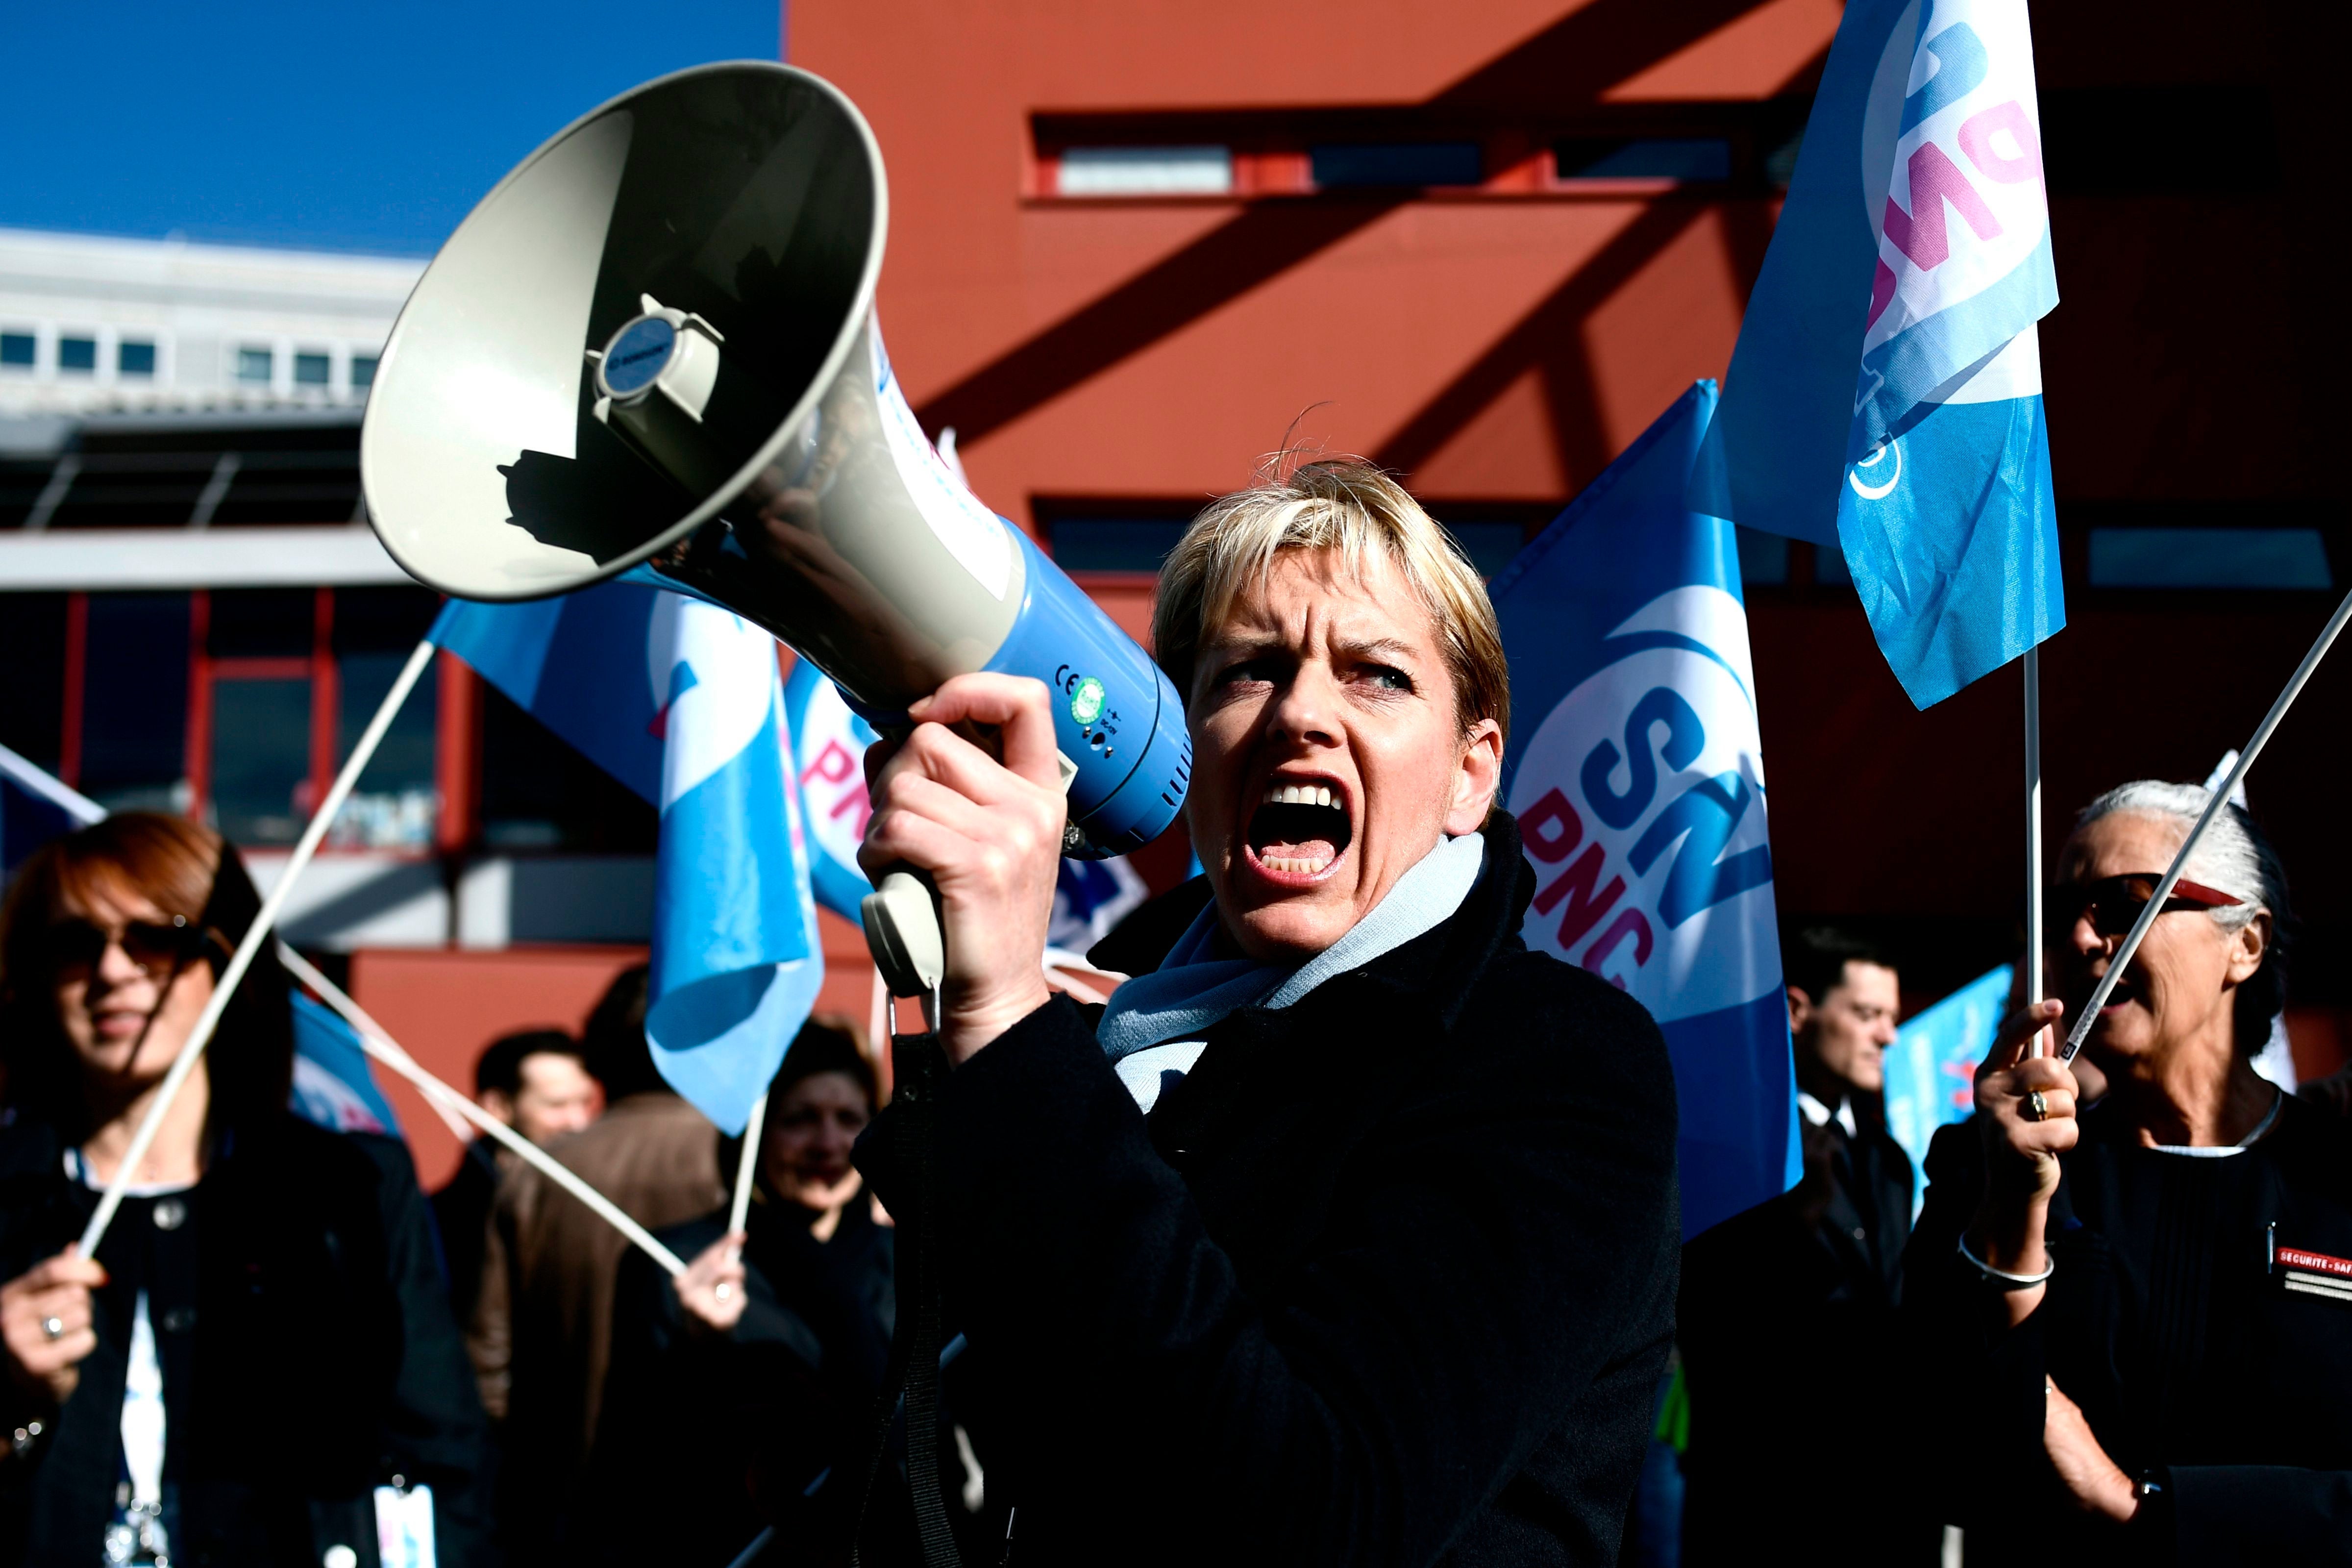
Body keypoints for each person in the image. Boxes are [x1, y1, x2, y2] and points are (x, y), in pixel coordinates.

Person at [848, 458, 1680, 1564]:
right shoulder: (1112, 1042)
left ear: (1470, 776)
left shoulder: (1552, 1060)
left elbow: (1310, 1519)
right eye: (1246, 671)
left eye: (1376, 676)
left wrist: (1009, 1024)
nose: (1300, 714)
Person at [0, 813, 494, 1565]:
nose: (112, 971)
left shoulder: (344, 1188)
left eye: (155, 938)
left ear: (223, 958)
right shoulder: (11, 1192)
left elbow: (442, 1456)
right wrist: (12, 1400)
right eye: (75, 943)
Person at [1906, 780, 2352, 1561]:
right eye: (2061, 910)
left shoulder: (2338, 1176)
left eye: (2125, 903)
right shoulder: (1991, 1164)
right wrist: (2009, 1223)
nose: (2080, 938)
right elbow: (1935, 1461)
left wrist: (2148, 1507)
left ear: (2243, 943)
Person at [588, 1019, 985, 1565]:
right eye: (800, 1119)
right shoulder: (680, 1263)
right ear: (756, 1132)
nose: (827, 1142)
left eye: (848, 1118)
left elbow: (955, 1427)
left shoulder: (915, 1258)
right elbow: (636, 1455)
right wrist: (700, 1348)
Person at [1678, 927, 1934, 1562]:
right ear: (1798, 1010)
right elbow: (1712, 1321)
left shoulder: (1889, 1160)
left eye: (1892, 1018)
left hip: (1884, 1497)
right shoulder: (1735, 1147)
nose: (1887, 1037)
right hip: (1767, 1497)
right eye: (1867, 1013)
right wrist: (1791, 1228)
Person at [468, 963, 723, 1563]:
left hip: (563, 1510)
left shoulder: (534, 1175)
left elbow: (489, 1369)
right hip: (707, 1506)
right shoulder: (742, 1165)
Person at [432, 1028, 599, 1322]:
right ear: (497, 1107)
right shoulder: (441, 1221)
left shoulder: (602, 1203)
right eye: (557, 1105)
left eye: (586, 1103)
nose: (579, 1122)